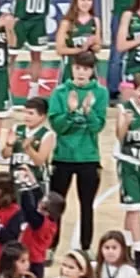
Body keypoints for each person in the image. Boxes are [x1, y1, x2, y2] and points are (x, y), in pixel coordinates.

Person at [47, 52, 108, 252]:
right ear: (72, 68)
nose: (81, 73)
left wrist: (88, 112)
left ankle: (85, 246)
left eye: (86, 69)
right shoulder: (60, 92)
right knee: (55, 205)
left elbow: (97, 127)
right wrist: (71, 112)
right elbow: (58, 126)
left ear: (92, 71)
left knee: (86, 205)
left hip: (89, 157)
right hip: (62, 157)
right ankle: (51, 245)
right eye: (78, 68)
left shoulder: (100, 93)